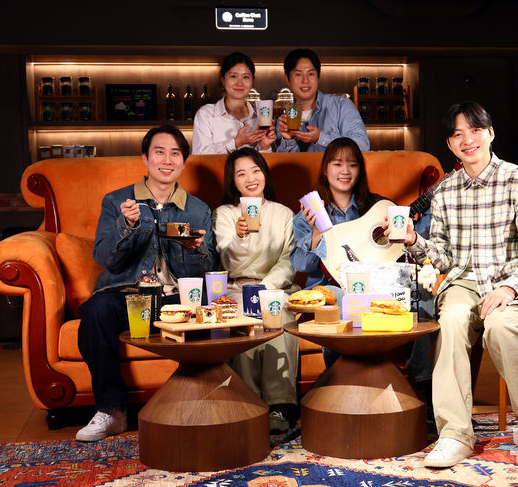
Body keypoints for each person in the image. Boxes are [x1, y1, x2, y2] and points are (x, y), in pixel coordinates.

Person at [388, 101, 518, 468]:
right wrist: (414, 240)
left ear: (490, 133)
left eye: (475, 130)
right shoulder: (445, 191)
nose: (468, 140)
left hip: (512, 282)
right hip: (465, 282)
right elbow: (444, 257)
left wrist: (509, 289)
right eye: (457, 134)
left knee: (500, 325)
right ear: (450, 144)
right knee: (449, 321)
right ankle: (455, 435)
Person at [76, 125, 218, 442]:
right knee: (97, 311)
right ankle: (112, 411)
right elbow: (105, 259)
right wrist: (126, 226)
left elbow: (208, 271)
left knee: (218, 311)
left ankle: (213, 404)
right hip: (130, 298)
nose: (167, 160)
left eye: (175, 153)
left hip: (178, 301)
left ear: (184, 161)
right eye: (159, 152)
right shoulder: (117, 201)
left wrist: (195, 250)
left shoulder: (197, 209)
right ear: (145, 157)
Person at [212, 147, 300, 434]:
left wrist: (265, 288)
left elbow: (288, 260)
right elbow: (226, 260)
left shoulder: (284, 214)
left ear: (264, 174)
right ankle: (247, 403)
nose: (250, 178)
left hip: (274, 286)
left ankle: (280, 406)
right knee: (242, 318)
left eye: (255, 170)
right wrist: (240, 236)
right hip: (236, 287)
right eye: (241, 174)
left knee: (278, 315)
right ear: (233, 181)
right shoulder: (224, 214)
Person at [291, 137, 380, 366]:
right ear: (325, 169)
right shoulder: (307, 215)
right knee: (340, 298)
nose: (345, 171)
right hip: (326, 288)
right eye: (337, 164)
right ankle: (340, 373)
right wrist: (316, 233)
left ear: (360, 170)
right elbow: (300, 265)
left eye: (352, 164)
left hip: (372, 285)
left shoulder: (373, 209)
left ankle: (421, 380)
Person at [277, 48, 370, 153]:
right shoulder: (283, 119)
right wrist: (288, 139)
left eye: (311, 74)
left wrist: (320, 138)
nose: (305, 80)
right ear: (287, 79)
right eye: (298, 74)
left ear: (318, 76)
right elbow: (281, 161)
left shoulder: (341, 105)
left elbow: (363, 145)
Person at [192, 52, 276, 154]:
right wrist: (235, 143)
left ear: (252, 81)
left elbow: (263, 162)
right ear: (223, 79)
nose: (239, 83)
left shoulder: (260, 117)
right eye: (233, 76)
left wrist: (264, 145)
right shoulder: (206, 114)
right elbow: (199, 156)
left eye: (246, 77)